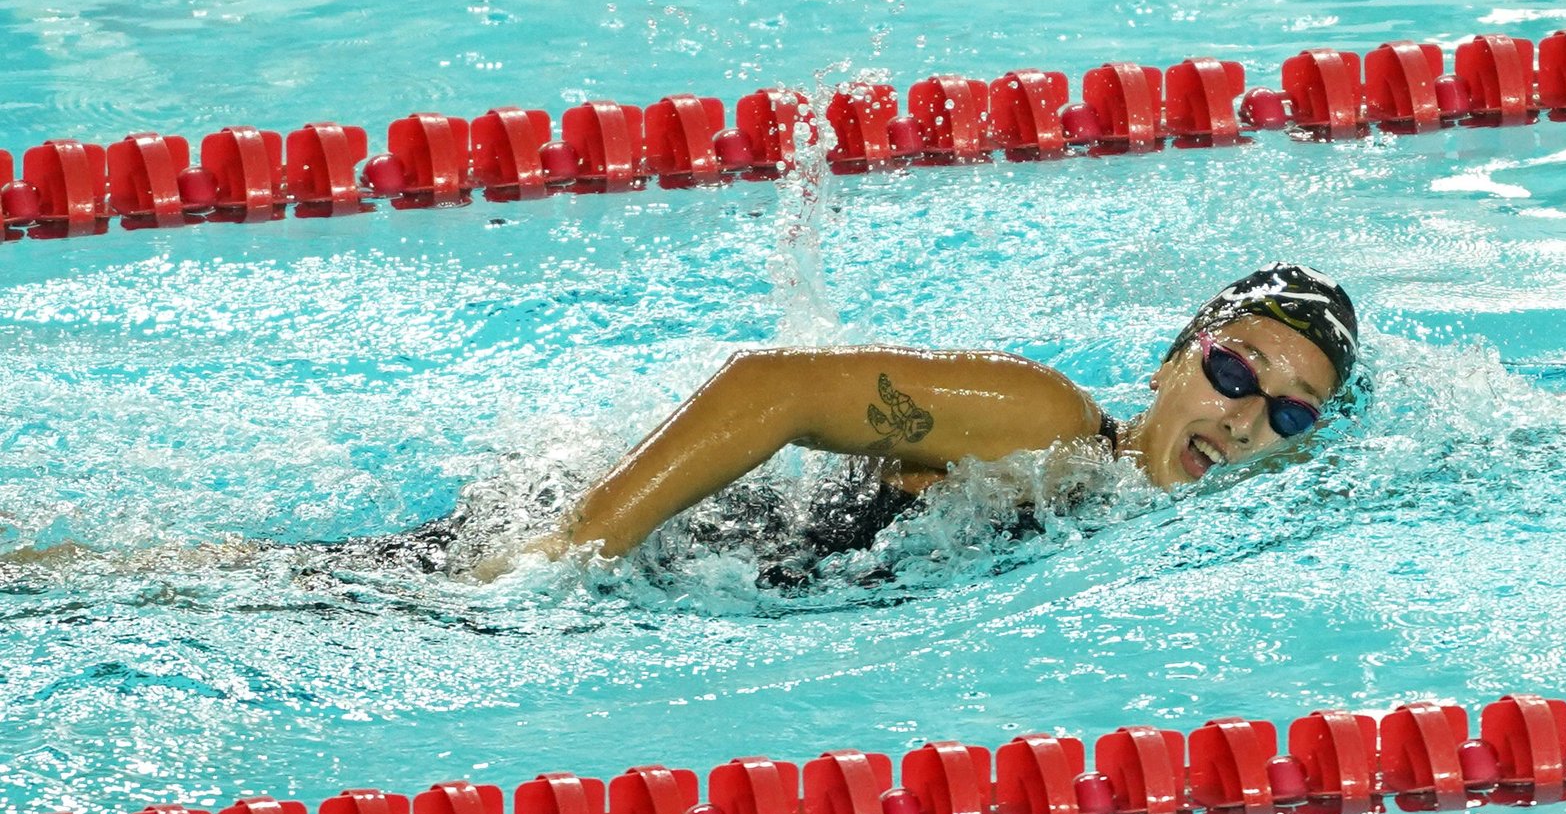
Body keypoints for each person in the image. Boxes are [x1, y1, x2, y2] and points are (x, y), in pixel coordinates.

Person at [472, 263, 1360, 582]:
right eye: (1234, 370)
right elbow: (772, 387)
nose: (1245, 420)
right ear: (1174, 360)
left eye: (1288, 413)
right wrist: (569, 548)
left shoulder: (1141, 522)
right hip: (660, 550)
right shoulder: (1050, 424)